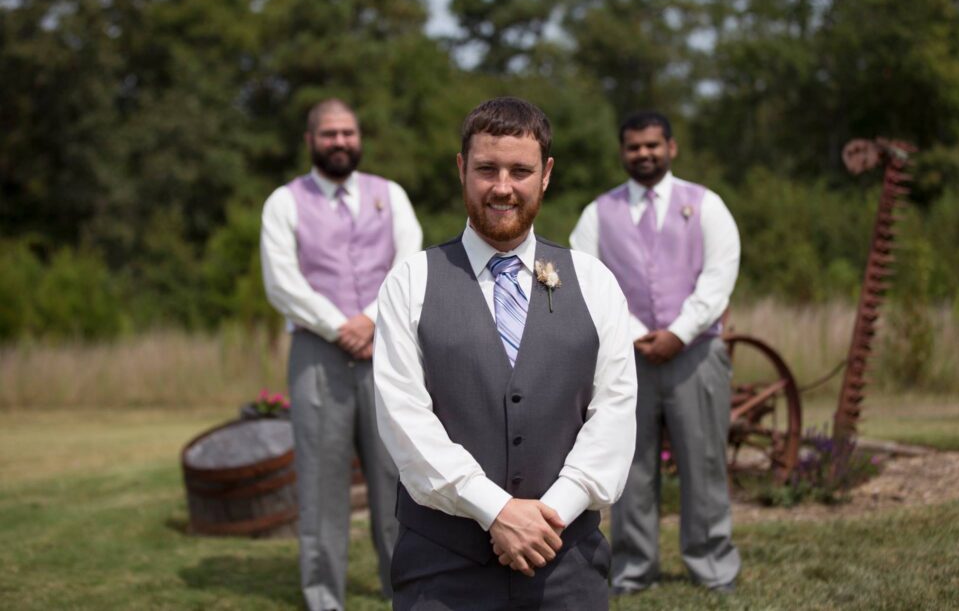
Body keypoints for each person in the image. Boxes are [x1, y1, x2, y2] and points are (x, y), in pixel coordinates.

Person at [372, 97, 637, 610]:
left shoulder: (595, 282)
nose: (502, 187)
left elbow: (614, 415)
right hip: (440, 568)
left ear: (546, 175)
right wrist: (496, 511)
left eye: (520, 170)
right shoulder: (410, 282)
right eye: (486, 169)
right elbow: (404, 420)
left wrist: (547, 518)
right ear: (461, 169)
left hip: (566, 564)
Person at [569, 110, 741, 594]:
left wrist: (679, 333)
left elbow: (718, 278)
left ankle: (713, 566)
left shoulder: (706, 205)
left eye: (652, 145)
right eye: (634, 147)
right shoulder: (597, 213)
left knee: (704, 463)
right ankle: (631, 568)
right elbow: (587, 279)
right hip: (627, 358)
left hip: (697, 356)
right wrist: (638, 332)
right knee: (631, 467)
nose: (643, 154)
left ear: (671, 147)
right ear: (622, 152)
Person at [260, 98, 423, 611]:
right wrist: (340, 327)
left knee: (396, 480)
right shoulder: (284, 202)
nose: (340, 142)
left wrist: (372, 318)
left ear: (359, 138)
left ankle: (405, 588)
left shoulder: (389, 195)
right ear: (310, 141)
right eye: (329, 134)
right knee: (321, 486)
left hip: (386, 349)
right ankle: (324, 597)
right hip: (317, 354)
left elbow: (409, 261)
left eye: (348, 133)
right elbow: (281, 281)